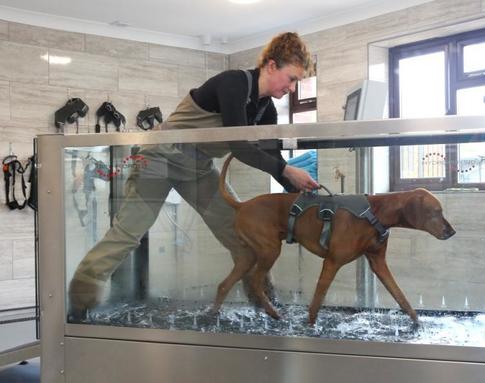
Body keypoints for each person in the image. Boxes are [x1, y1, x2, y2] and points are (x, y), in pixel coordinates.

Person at [68, 32, 319, 319]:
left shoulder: (266, 111)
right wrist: (288, 171)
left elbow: (272, 158)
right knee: (129, 231)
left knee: (243, 233)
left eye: (297, 82)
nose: (292, 87)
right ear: (272, 66)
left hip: (198, 169)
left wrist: (303, 196)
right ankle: (80, 301)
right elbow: (241, 147)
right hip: (159, 159)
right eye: (291, 78)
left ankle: (264, 302)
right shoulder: (234, 83)